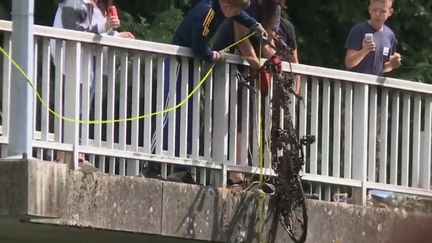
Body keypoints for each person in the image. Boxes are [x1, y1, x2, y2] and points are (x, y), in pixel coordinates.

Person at [158, 0, 267, 183]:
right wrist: (213, 55)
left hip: (191, 66)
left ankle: (182, 169)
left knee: (191, 116)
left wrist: (254, 25)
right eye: (234, 11)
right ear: (226, 6)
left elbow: (239, 13)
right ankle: (153, 165)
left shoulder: (222, 6)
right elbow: (198, 44)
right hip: (178, 63)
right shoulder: (208, 13)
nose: (236, 15)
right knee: (172, 113)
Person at [51, 0, 134, 165]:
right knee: (74, 109)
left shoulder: (96, 5)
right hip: (72, 63)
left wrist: (118, 35)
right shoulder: (73, 3)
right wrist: (105, 26)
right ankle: (70, 154)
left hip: (88, 66)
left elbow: (97, 31)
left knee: (82, 110)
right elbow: (74, 31)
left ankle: (76, 152)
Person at [212, 0, 285, 187]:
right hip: (227, 58)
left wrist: (275, 59)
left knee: (246, 117)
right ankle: (227, 172)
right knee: (226, 115)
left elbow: (268, 41)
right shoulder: (247, 3)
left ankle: (241, 173)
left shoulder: (274, 8)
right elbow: (241, 37)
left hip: (248, 64)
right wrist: (257, 63)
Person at [344, 0, 401, 76]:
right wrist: (364, 51)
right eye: (375, 10)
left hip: (374, 86)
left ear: (390, 12)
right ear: (369, 10)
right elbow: (349, 63)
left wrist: (392, 64)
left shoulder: (390, 35)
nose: (377, 14)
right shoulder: (359, 30)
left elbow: (382, 68)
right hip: (355, 85)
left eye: (382, 11)